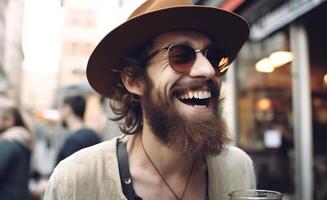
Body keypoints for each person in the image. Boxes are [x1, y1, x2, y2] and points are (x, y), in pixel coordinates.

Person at [44, 0, 256, 199]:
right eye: (181, 55)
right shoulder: (75, 182)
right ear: (134, 80)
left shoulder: (238, 168)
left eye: (214, 57)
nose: (208, 70)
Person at [0, 101, 34, 200]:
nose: (1, 122)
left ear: (15, 119)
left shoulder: (10, 142)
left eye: (6, 118)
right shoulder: (22, 137)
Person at [56, 95, 102, 164]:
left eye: (62, 108)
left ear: (68, 109)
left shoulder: (73, 141)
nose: (60, 113)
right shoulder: (95, 136)